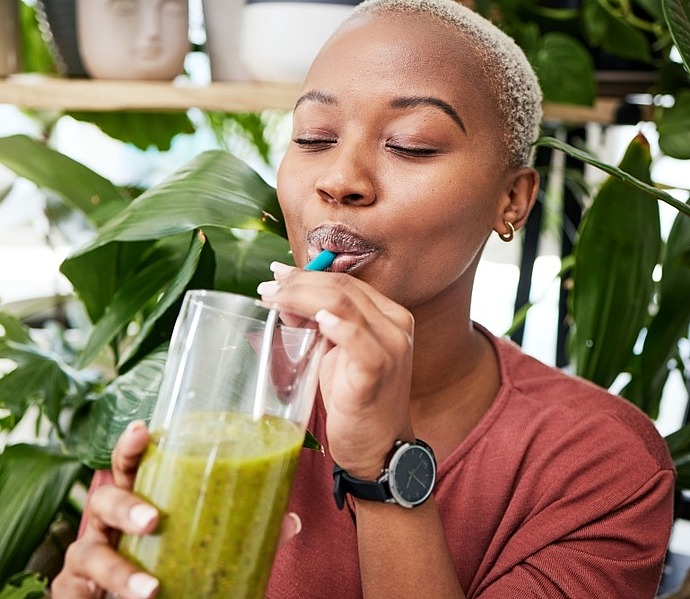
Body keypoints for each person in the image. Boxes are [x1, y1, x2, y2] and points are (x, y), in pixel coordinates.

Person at [52, 0, 676, 597]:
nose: (339, 180)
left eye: (411, 145)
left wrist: (386, 465)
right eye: (315, 137)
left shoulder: (600, 465)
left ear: (511, 199)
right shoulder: (203, 391)